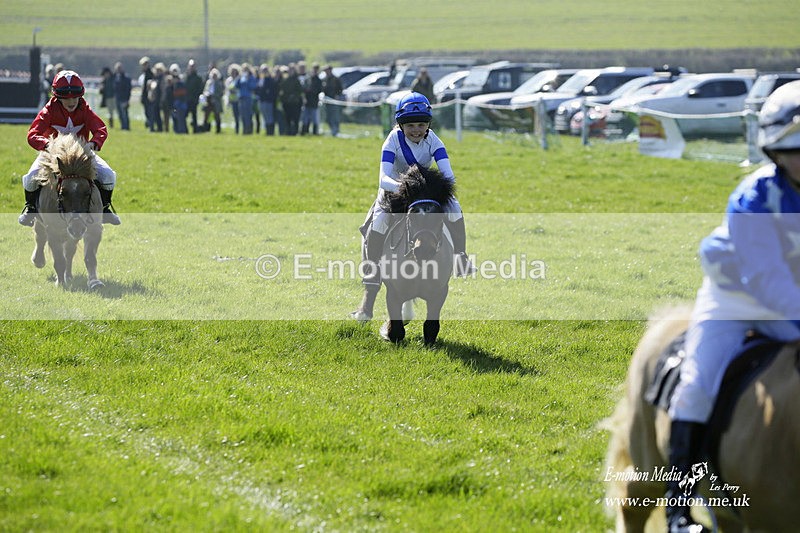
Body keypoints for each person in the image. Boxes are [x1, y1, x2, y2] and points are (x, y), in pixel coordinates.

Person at [665, 80, 800, 532]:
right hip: (736, 299)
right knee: (697, 383)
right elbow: (768, 278)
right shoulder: (754, 198)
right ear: (773, 153)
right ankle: (678, 511)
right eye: (793, 149)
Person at [349, 92, 476, 321]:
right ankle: (372, 278)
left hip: (423, 193)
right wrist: (404, 186)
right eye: (410, 125)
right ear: (401, 125)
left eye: (421, 124)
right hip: (393, 191)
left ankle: (461, 257)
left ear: (428, 124)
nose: (416, 130)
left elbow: (449, 176)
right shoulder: (392, 140)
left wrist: (432, 189)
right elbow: (383, 178)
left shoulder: (434, 141)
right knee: (377, 224)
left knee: (455, 207)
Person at [18, 70, 121, 226]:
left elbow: (101, 129)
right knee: (30, 178)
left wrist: (94, 143)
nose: (72, 101)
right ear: (57, 97)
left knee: (108, 176)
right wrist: (47, 145)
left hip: (82, 155)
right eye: (66, 98)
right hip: (52, 155)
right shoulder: (49, 109)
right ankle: (30, 208)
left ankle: (105, 209)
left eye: (75, 97)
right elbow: (33, 134)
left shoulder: (84, 108)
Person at [321, 65, 343, 137]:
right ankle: (332, 130)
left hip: (334, 101)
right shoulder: (324, 79)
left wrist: (337, 95)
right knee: (328, 117)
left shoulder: (336, 79)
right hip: (326, 101)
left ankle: (335, 131)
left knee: (335, 116)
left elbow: (340, 89)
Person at [301, 63, 323, 135]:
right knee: (305, 118)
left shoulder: (319, 80)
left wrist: (312, 90)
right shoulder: (308, 79)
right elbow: (303, 88)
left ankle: (315, 132)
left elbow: (319, 90)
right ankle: (304, 131)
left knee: (314, 119)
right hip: (307, 101)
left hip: (314, 102)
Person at [201, 67, 224, 133]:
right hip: (208, 101)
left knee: (217, 116)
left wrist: (214, 96)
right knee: (207, 116)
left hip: (215, 101)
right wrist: (206, 95)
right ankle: (206, 129)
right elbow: (205, 90)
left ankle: (218, 130)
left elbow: (220, 93)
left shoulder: (219, 83)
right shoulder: (208, 83)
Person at [256, 63, 277, 136]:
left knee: (269, 117)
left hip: (268, 101)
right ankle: (267, 131)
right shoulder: (260, 79)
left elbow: (270, 90)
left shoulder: (270, 79)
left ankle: (270, 132)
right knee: (265, 116)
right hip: (262, 100)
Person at [184, 59, 204, 133]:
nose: (192, 68)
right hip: (186, 99)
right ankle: (185, 130)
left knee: (194, 116)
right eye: (191, 66)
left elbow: (200, 89)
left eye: (193, 66)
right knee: (184, 115)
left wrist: (196, 97)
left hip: (194, 100)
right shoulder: (186, 77)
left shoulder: (198, 78)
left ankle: (195, 130)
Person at [113, 62, 132, 131]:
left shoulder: (126, 78)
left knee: (125, 114)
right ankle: (123, 126)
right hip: (117, 98)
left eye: (119, 68)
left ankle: (126, 127)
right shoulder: (115, 77)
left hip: (124, 98)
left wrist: (127, 99)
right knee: (120, 114)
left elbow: (128, 89)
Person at [139, 56, 154, 130]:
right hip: (145, 96)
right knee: (147, 112)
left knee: (150, 113)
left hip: (149, 97)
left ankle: (151, 127)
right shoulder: (145, 74)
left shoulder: (150, 73)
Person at [225, 64, 241, 134]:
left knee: (239, 115)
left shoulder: (239, 79)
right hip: (233, 100)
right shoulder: (229, 80)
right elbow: (227, 91)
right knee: (235, 115)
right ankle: (236, 129)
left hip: (239, 99)